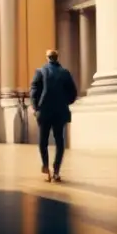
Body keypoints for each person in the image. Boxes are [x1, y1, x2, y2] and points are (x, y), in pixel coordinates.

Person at [29, 49, 78, 183]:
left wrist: (36, 107)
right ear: (57, 58)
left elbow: (33, 91)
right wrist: (64, 102)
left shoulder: (40, 72)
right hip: (60, 112)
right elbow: (73, 93)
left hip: (44, 111)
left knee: (43, 141)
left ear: (47, 58)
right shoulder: (65, 73)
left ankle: (46, 169)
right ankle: (56, 171)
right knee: (59, 141)